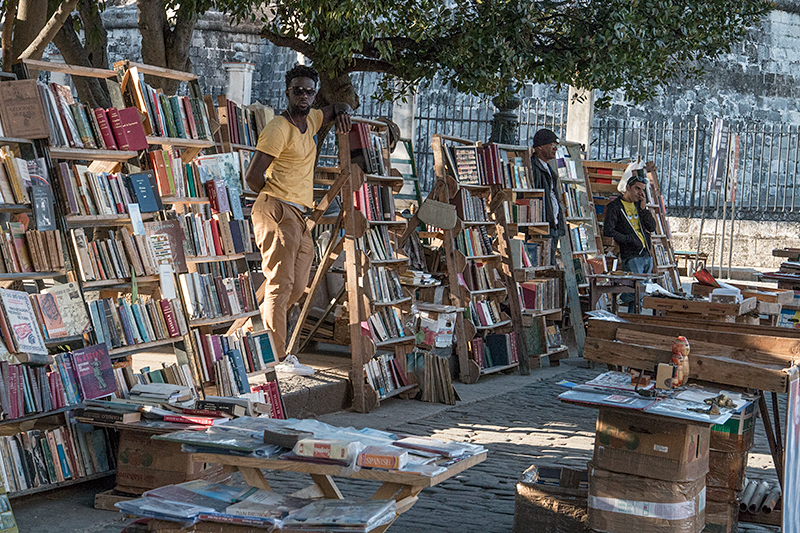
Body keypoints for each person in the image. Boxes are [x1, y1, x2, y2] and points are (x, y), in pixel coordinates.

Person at [245, 64, 352, 361]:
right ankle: (276, 357)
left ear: (313, 94)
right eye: (297, 91)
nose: (303, 96)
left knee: (297, 285)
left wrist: (343, 109)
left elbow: (337, 107)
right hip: (277, 208)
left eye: (308, 91)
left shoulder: (313, 120)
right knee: (281, 285)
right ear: (287, 93)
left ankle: (251, 334)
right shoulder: (279, 128)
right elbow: (253, 175)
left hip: (299, 215)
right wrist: (276, 199)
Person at [603, 173, 657, 312]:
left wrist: (644, 209)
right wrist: (629, 240)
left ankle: (633, 318)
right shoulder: (615, 207)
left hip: (646, 253)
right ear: (627, 188)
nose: (640, 193)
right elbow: (609, 231)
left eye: (642, 190)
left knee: (641, 294)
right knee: (637, 291)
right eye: (637, 189)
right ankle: (618, 298)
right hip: (631, 254)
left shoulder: (640, 206)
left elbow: (652, 227)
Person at [531, 129, 565, 264]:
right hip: (542, 223)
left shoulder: (549, 168)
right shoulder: (534, 167)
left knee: (550, 262)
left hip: (552, 223)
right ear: (540, 146)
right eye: (552, 145)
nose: (555, 148)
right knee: (543, 263)